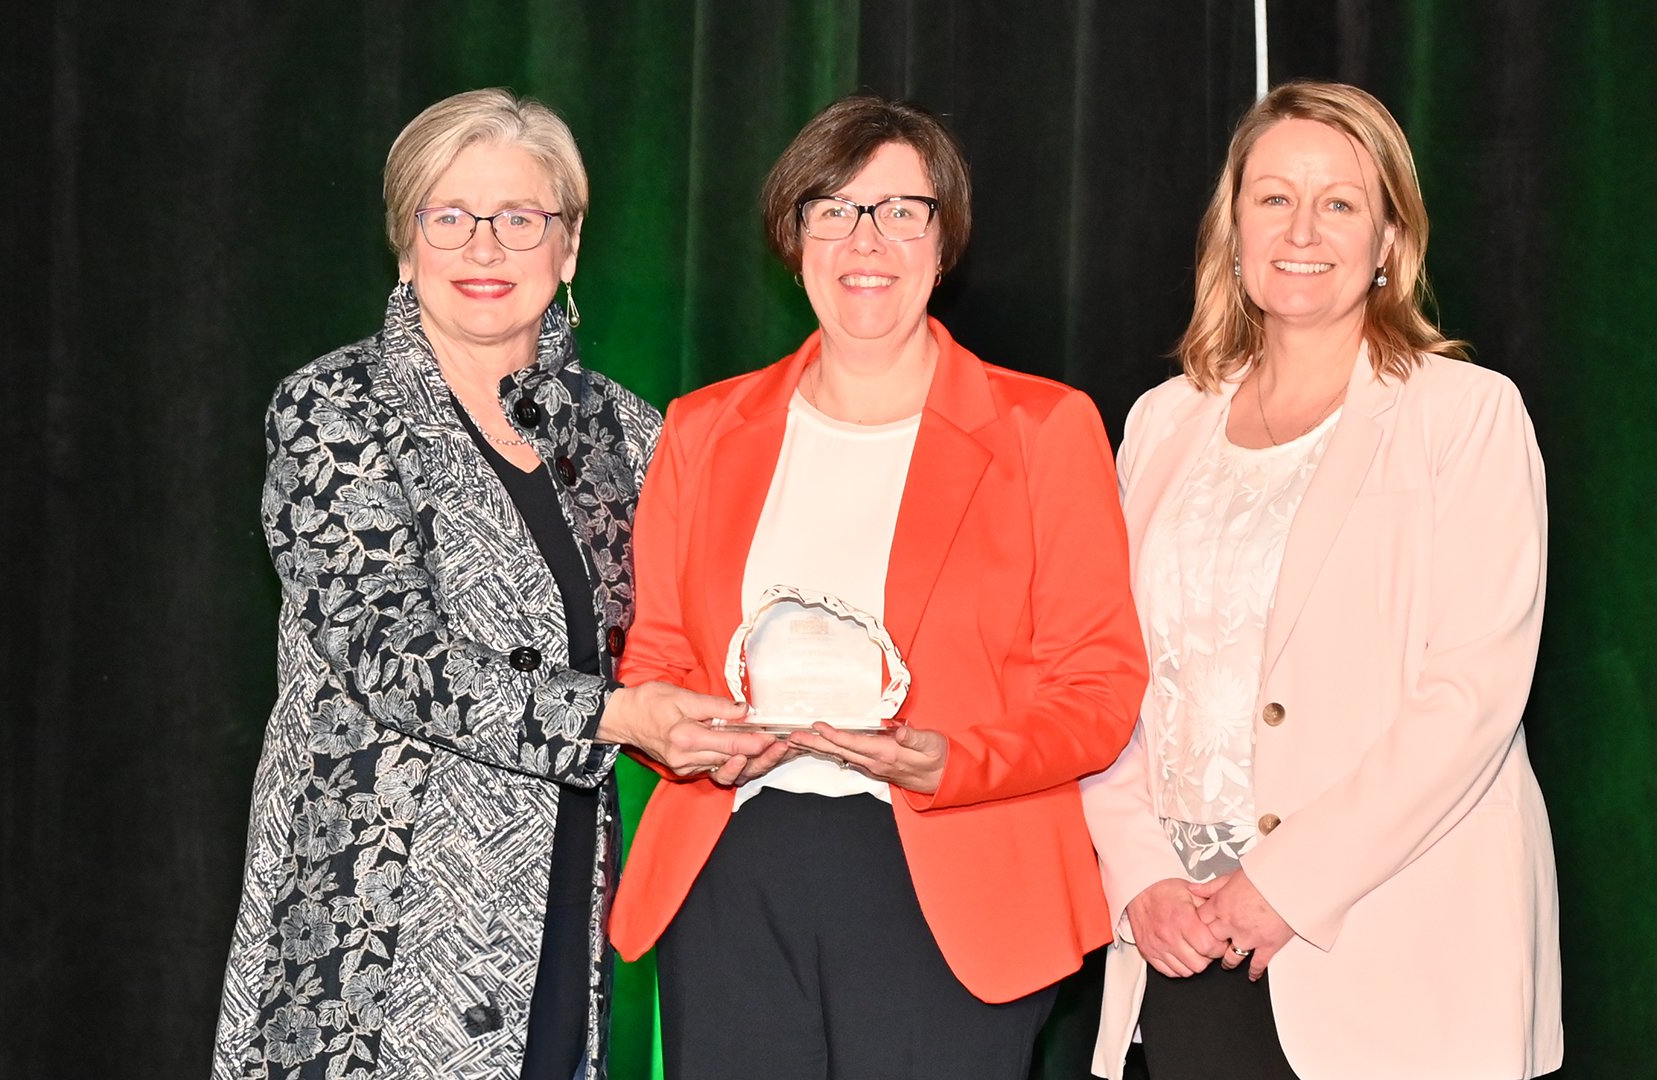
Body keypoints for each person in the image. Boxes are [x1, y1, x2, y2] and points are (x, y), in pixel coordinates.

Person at [211, 88, 771, 1080]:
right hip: (374, 928)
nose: (484, 249)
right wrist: (621, 715)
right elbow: (390, 657)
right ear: (405, 241)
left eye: (519, 220)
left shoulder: (627, 433)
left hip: (563, 899)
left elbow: (702, 621)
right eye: (450, 217)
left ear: (568, 248)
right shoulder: (337, 409)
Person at [604, 94, 1147, 1079]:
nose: (868, 238)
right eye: (834, 208)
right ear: (793, 235)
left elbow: (1100, 691)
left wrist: (955, 760)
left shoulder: (1045, 431)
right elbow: (659, 654)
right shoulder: (703, 429)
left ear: (944, 246)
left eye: (903, 210)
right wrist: (671, 727)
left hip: (956, 881)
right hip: (733, 869)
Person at [1082, 80, 1562, 1080]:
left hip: (1396, 939)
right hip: (1184, 936)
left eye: (1339, 202)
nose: (1303, 228)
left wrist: (1284, 885)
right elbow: (1109, 675)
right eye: (1272, 198)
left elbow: (1470, 697)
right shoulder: (1162, 423)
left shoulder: (1465, 416)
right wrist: (1140, 876)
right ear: (1234, 226)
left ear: (1390, 237)